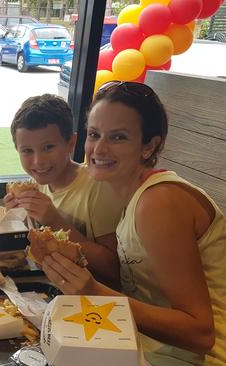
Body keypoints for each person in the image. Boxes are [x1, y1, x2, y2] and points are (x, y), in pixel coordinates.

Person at [41, 81, 225, 365]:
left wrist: (94, 292)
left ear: (150, 146)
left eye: (118, 137)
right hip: (143, 344)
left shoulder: (159, 202)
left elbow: (201, 334)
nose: (99, 149)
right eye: (94, 134)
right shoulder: (132, 198)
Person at [4, 94, 123, 288]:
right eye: (27, 151)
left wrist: (54, 220)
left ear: (71, 143)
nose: (38, 161)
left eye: (48, 147)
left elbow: (113, 269)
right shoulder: (35, 184)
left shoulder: (97, 188)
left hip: (92, 297)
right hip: (49, 286)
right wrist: (15, 219)